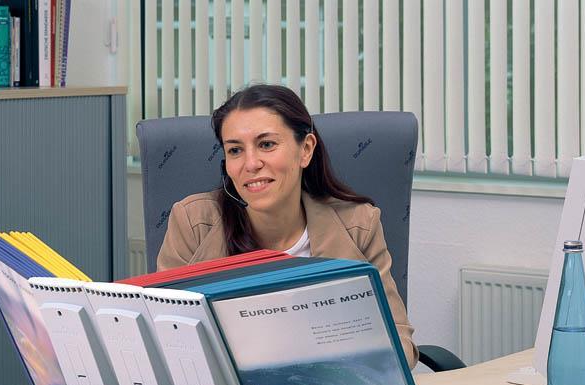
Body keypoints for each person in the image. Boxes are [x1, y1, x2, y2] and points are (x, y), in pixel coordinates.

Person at [157, 84, 419, 369]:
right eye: (235, 150)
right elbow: (165, 338)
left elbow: (400, 343)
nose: (251, 164)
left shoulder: (359, 225)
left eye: (266, 144)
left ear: (305, 149)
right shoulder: (192, 222)